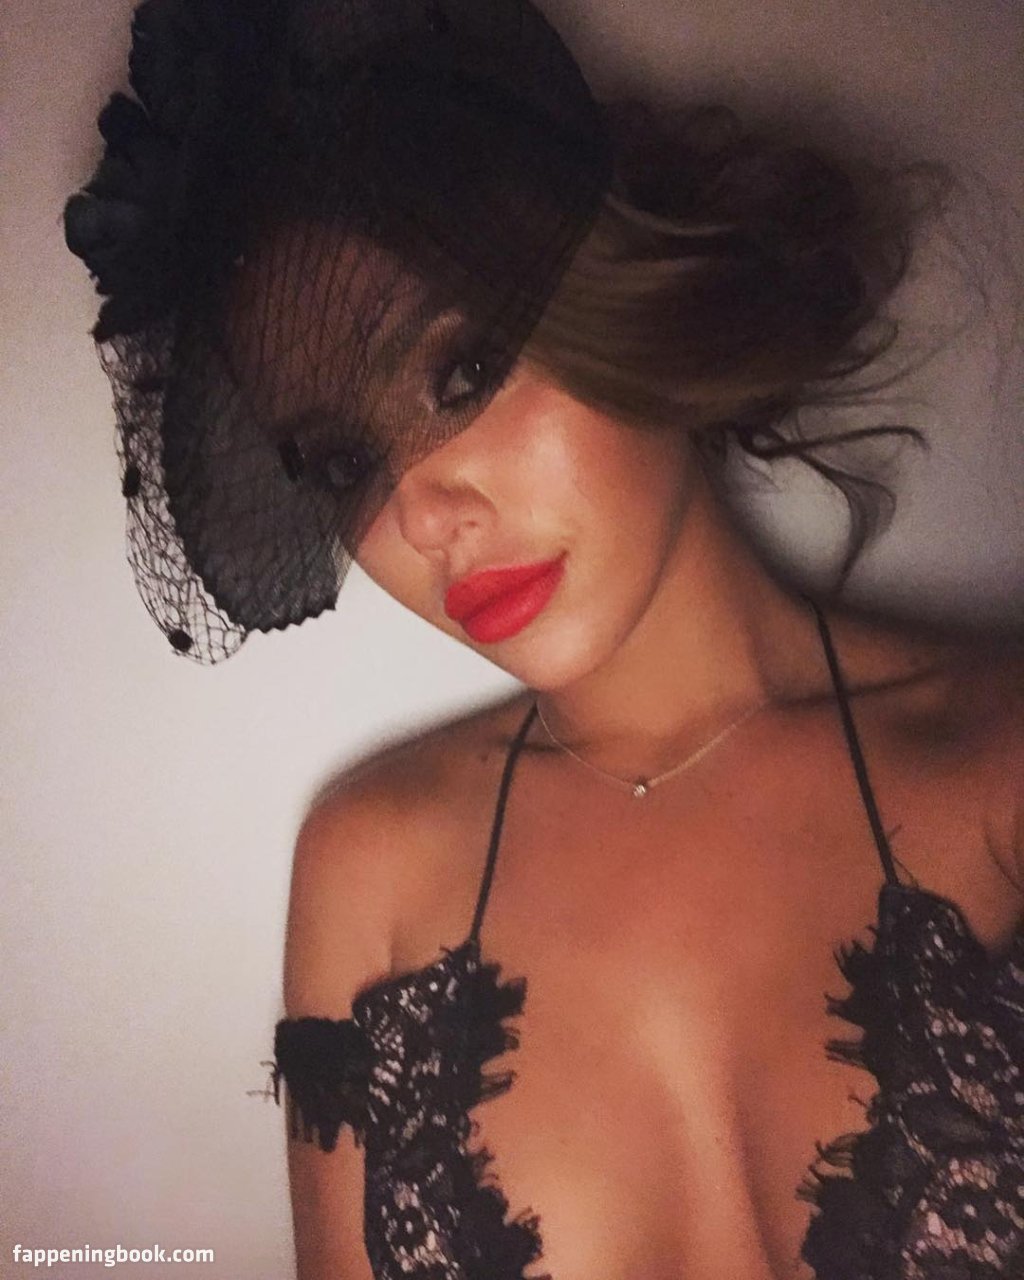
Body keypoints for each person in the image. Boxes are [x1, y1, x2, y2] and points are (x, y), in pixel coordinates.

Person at [64, 0, 1024, 1276]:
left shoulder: (1002, 761)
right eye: (342, 460)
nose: (422, 515)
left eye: (461, 373)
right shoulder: (372, 869)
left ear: (618, 305)